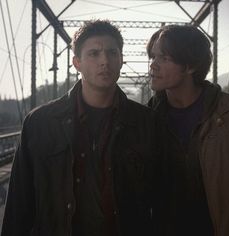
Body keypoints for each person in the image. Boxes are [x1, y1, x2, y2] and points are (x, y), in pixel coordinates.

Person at [1, 20, 157, 236]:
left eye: (112, 53)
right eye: (94, 53)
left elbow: (163, 201)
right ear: (77, 63)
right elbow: (19, 205)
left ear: (121, 60)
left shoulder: (146, 122)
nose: (105, 61)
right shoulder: (39, 123)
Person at [147, 24, 229, 236]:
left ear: (190, 66)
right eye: (153, 57)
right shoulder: (146, 120)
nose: (153, 65)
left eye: (164, 58)